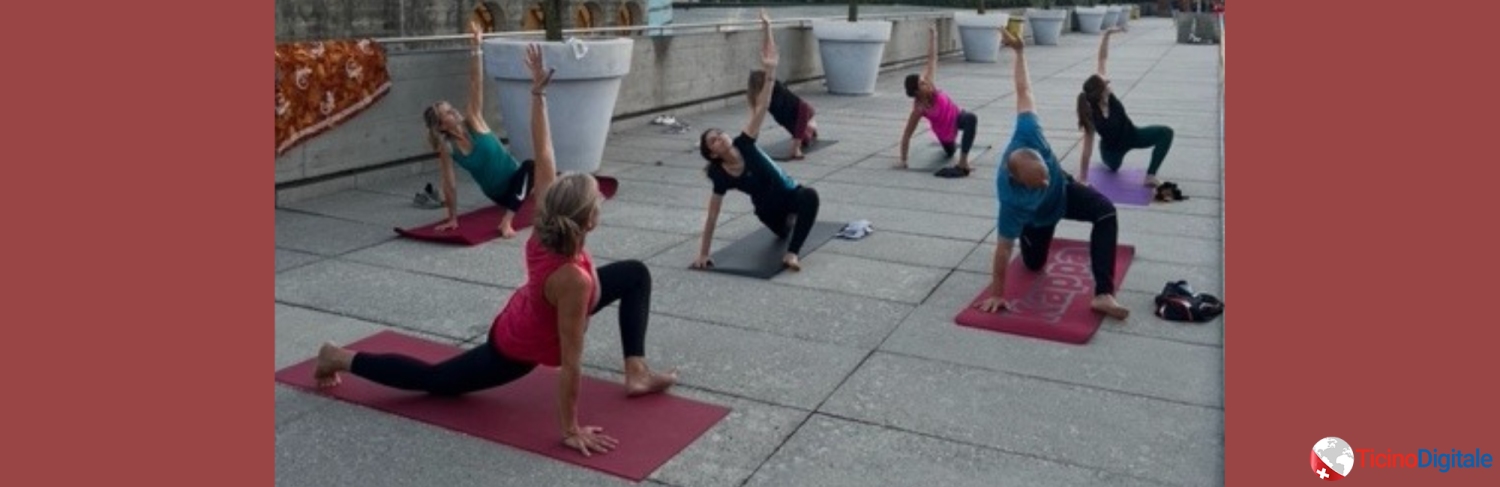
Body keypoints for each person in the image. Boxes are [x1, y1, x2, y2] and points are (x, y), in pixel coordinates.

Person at [312, 44, 678, 459]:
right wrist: (569, 427)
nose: (600, 202)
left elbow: (543, 153)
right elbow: (571, 363)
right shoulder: (572, 280)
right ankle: (339, 357)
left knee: (634, 274)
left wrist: (538, 95)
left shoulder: (545, 221)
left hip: (530, 307)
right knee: (437, 381)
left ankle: (636, 372)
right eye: (598, 200)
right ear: (588, 221)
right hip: (517, 346)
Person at [975, 27, 1130, 320]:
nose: (1042, 182)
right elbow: (1003, 250)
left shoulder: (1029, 130)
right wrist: (997, 292)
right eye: (1037, 183)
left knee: (1106, 211)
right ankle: (1033, 237)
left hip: (1064, 191)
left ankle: (1103, 294)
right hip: (1038, 218)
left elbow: (1023, 90)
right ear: (1019, 181)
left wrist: (1020, 52)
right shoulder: (1011, 202)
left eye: (1044, 173)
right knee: (1033, 265)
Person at [694, 10, 821, 272]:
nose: (720, 138)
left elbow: (762, 104)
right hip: (767, 209)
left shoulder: (745, 143)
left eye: (719, 134)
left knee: (810, 197)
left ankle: (792, 255)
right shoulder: (721, 176)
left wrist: (770, 68)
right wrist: (704, 253)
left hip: (788, 192)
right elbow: (713, 215)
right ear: (714, 154)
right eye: (714, 141)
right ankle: (788, 225)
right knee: (782, 230)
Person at [422, 21, 536, 238]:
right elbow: (449, 183)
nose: (454, 111)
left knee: (538, 173)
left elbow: (476, 83)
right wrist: (453, 217)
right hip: (498, 193)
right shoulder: (447, 148)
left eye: (451, 108)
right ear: (440, 124)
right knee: (532, 168)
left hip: (516, 177)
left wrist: (476, 47)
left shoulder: (473, 120)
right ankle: (506, 222)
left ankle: (557, 193)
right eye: (447, 112)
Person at [1075, 27, 1175, 188]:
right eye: (1105, 84)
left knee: (1166, 132)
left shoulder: (1109, 95)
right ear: (1100, 93)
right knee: (1113, 168)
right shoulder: (1091, 115)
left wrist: (1106, 35)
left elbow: (1102, 60)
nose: (1108, 83)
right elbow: (1086, 149)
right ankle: (1109, 158)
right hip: (1112, 150)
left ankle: (1150, 176)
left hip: (1132, 134)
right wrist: (1083, 178)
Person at [899, 25, 980, 178]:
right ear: (916, 92)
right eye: (922, 83)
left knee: (971, 118)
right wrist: (903, 159)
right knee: (950, 152)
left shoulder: (930, 83)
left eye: (924, 80)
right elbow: (907, 134)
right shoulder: (919, 109)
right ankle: (954, 151)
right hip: (944, 134)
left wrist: (933, 36)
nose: (926, 82)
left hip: (957, 117)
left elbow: (932, 58)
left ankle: (963, 162)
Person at [747, 70, 819, 160]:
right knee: (805, 139)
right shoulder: (757, 97)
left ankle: (807, 132)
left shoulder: (776, 87)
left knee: (799, 140)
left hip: (801, 110)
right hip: (785, 118)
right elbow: (754, 118)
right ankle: (810, 127)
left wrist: (796, 144)